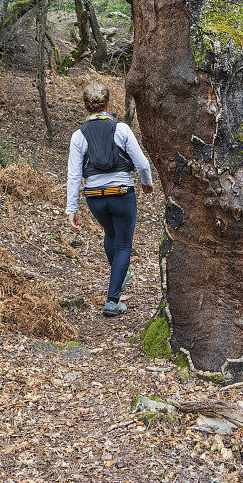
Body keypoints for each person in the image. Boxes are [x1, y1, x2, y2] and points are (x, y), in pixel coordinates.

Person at [66, 81, 153, 316]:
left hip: (94, 197)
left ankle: (119, 274)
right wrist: (146, 182)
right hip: (122, 194)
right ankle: (112, 300)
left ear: (85, 106)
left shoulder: (78, 135)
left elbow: (74, 174)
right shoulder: (121, 129)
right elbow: (142, 163)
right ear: (108, 103)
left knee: (110, 234)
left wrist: (71, 208)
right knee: (123, 244)